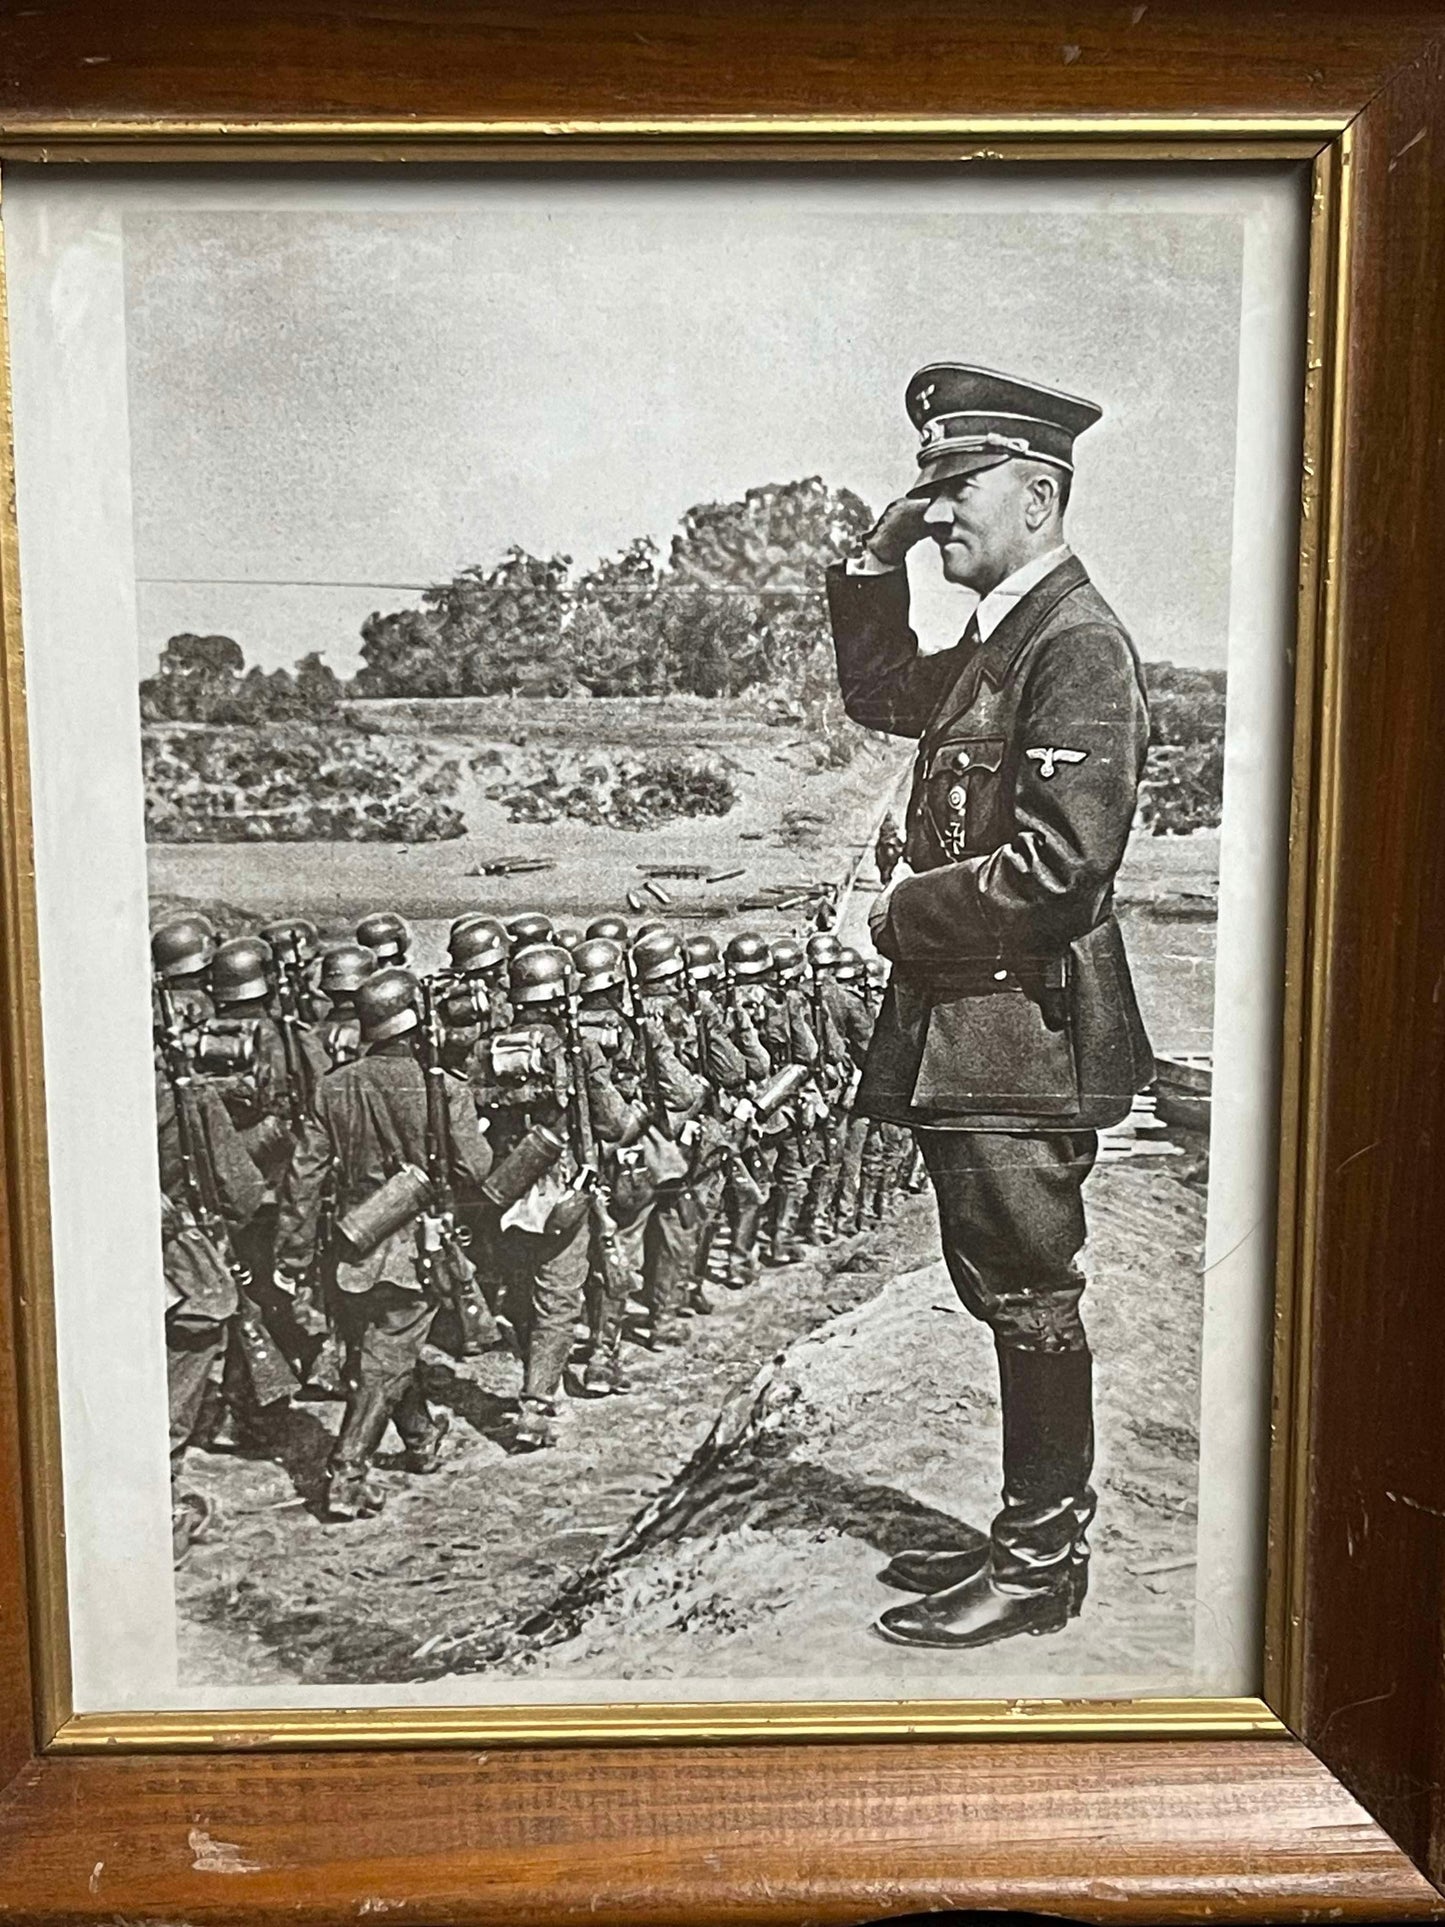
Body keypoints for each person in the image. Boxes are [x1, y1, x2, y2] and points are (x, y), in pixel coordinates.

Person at [827, 361, 1153, 1650]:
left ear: (1038, 493)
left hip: (1024, 1025)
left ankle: (1036, 1565)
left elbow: (1060, 868)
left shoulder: (1072, 643)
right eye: (927, 490)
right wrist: (873, 555)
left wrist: (897, 912)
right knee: (1000, 1282)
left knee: (1025, 1290)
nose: (935, 511)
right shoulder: (1000, 637)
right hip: (980, 1030)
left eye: (954, 489)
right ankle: (1031, 1544)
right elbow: (876, 695)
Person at [274, 966, 493, 1518]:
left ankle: (420, 1441)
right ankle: (347, 1474)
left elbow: (304, 1178)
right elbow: (477, 1168)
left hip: (351, 1243)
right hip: (416, 1247)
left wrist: (293, 1256)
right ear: (417, 1024)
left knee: (383, 1349)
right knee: (386, 1356)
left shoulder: (332, 1086)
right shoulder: (440, 1087)